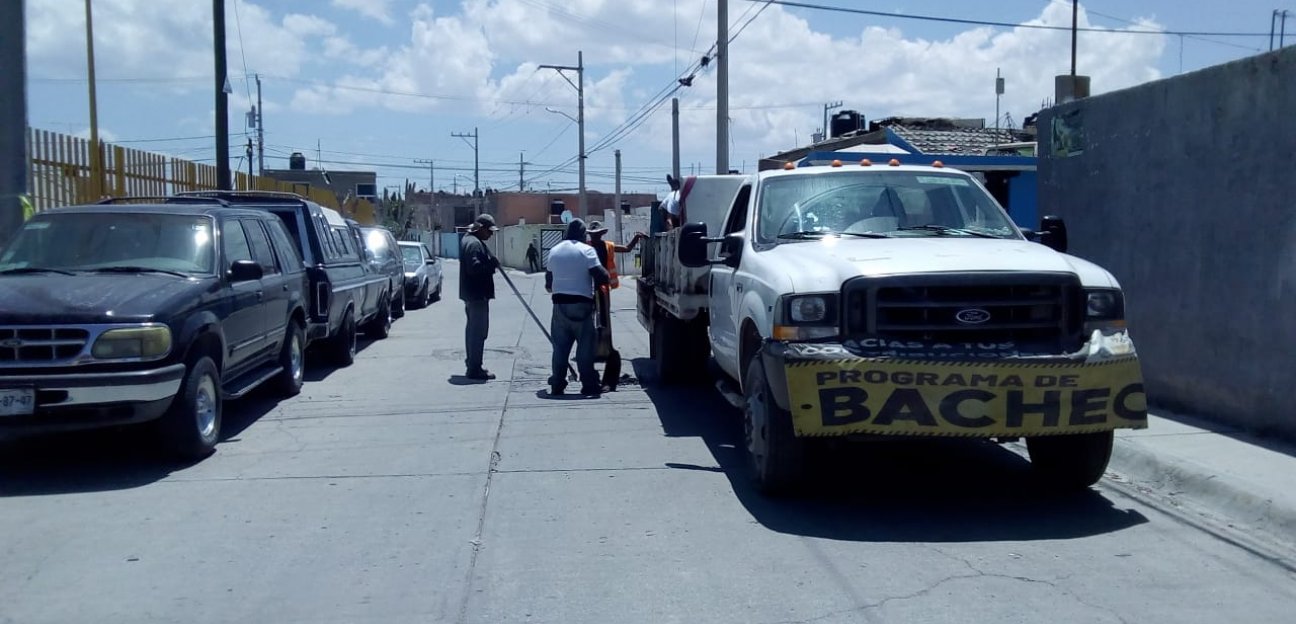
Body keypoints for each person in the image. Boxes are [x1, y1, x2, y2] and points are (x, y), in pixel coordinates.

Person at [544, 219, 609, 397]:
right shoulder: (587, 250)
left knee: (560, 348)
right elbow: (602, 276)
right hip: (582, 306)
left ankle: (557, 384)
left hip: (559, 306)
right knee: (585, 348)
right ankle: (589, 385)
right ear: (582, 234)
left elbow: (548, 283)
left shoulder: (554, 251)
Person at [459, 214, 500, 380]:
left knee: (473, 330)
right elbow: (474, 268)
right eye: (489, 231)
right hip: (477, 295)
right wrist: (491, 265)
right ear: (481, 229)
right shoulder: (474, 244)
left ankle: (472, 362)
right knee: (478, 332)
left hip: (472, 295)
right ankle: (474, 368)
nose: (491, 234)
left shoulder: (470, 240)